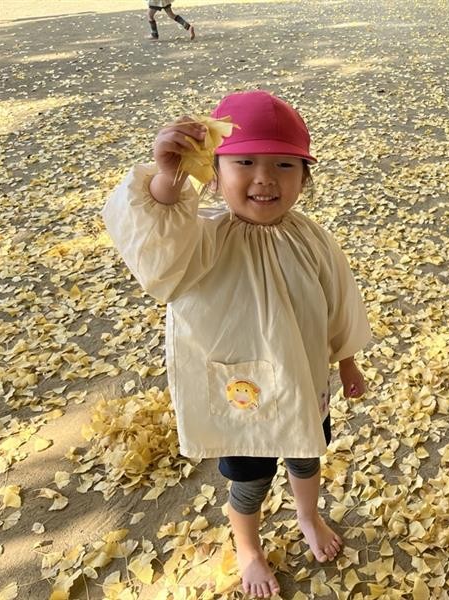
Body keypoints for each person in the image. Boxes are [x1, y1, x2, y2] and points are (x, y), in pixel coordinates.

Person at [103, 90, 371, 598]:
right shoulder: (201, 239)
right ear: (214, 173)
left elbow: (338, 301)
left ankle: (308, 515)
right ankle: (247, 546)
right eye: (244, 162)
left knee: (306, 456)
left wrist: (347, 360)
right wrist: (167, 180)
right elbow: (157, 249)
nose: (264, 178)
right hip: (240, 385)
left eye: (284, 165)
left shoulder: (313, 238)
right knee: (249, 478)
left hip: (302, 379)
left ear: (304, 177)